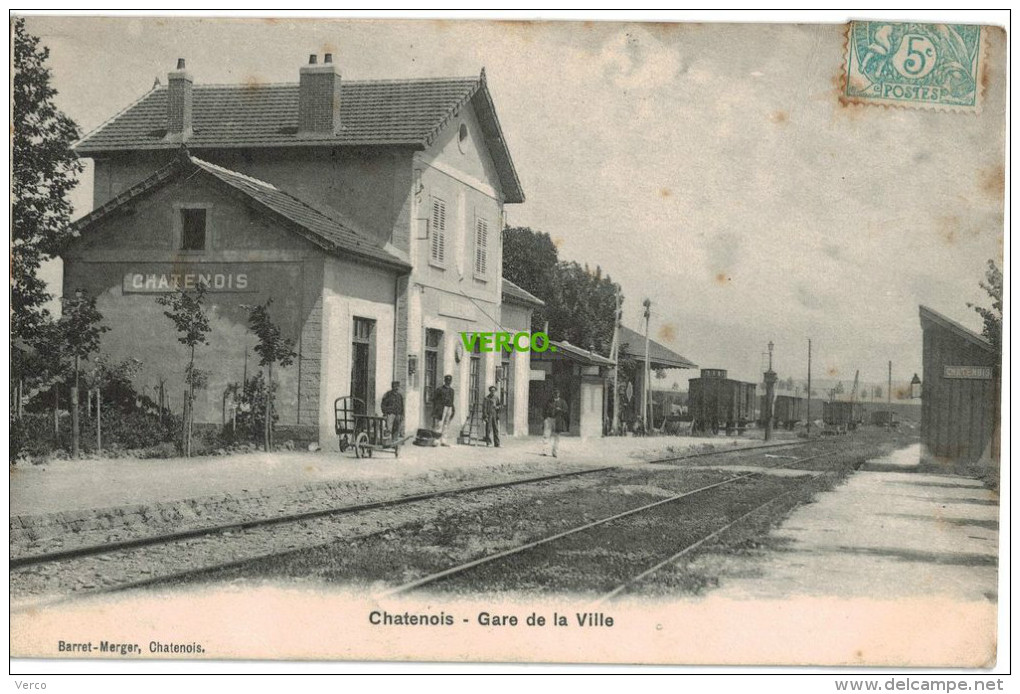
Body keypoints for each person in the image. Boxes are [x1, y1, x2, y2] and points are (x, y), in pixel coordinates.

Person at [542, 388, 569, 457]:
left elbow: (566, 411)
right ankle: (545, 451)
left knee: (557, 437)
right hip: (549, 419)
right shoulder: (549, 401)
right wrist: (545, 418)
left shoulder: (563, 402)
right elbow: (544, 410)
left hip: (558, 420)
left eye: (557, 393)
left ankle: (555, 452)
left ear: (559, 394)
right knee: (546, 435)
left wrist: (561, 410)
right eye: (554, 393)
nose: (556, 394)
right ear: (553, 393)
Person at [433, 374, 456, 447]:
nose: (448, 382)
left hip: (449, 408)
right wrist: (437, 408)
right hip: (441, 408)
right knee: (439, 424)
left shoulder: (452, 391)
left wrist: (453, 410)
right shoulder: (439, 389)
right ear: (444, 380)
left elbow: (452, 401)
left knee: (446, 424)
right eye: (447, 380)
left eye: (450, 380)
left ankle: (443, 440)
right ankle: (436, 440)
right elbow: (434, 399)